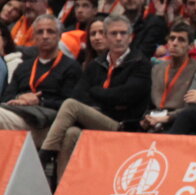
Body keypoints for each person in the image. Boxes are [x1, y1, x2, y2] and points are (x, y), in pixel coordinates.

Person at [39, 14, 150, 181]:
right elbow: (79, 95)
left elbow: (125, 96)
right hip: (97, 121)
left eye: (123, 33)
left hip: (124, 126)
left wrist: (96, 93)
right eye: (113, 34)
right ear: (106, 37)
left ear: (130, 37)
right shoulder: (96, 65)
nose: (119, 38)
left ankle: (44, 155)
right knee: (71, 133)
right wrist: (106, 100)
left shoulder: (140, 63)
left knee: (71, 105)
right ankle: (62, 189)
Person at [0, 15, 83, 133]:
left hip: (47, 121)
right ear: (33, 37)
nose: (45, 36)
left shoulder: (71, 67)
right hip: (18, 112)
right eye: (40, 32)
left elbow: (72, 104)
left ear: (59, 36)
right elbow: (6, 98)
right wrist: (20, 99)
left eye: (50, 32)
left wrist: (40, 101)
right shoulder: (23, 66)